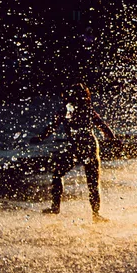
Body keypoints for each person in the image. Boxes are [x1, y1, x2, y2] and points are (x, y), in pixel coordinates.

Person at [30, 83, 118, 221]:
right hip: (85, 146)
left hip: (80, 147)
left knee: (61, 174)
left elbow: (52, 127)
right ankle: (95, 214)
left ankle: (57, 207)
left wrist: (40, 137)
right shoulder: (82, 110)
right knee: (91, 181)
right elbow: (103, 127)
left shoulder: (70, 110)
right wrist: (113, 139)